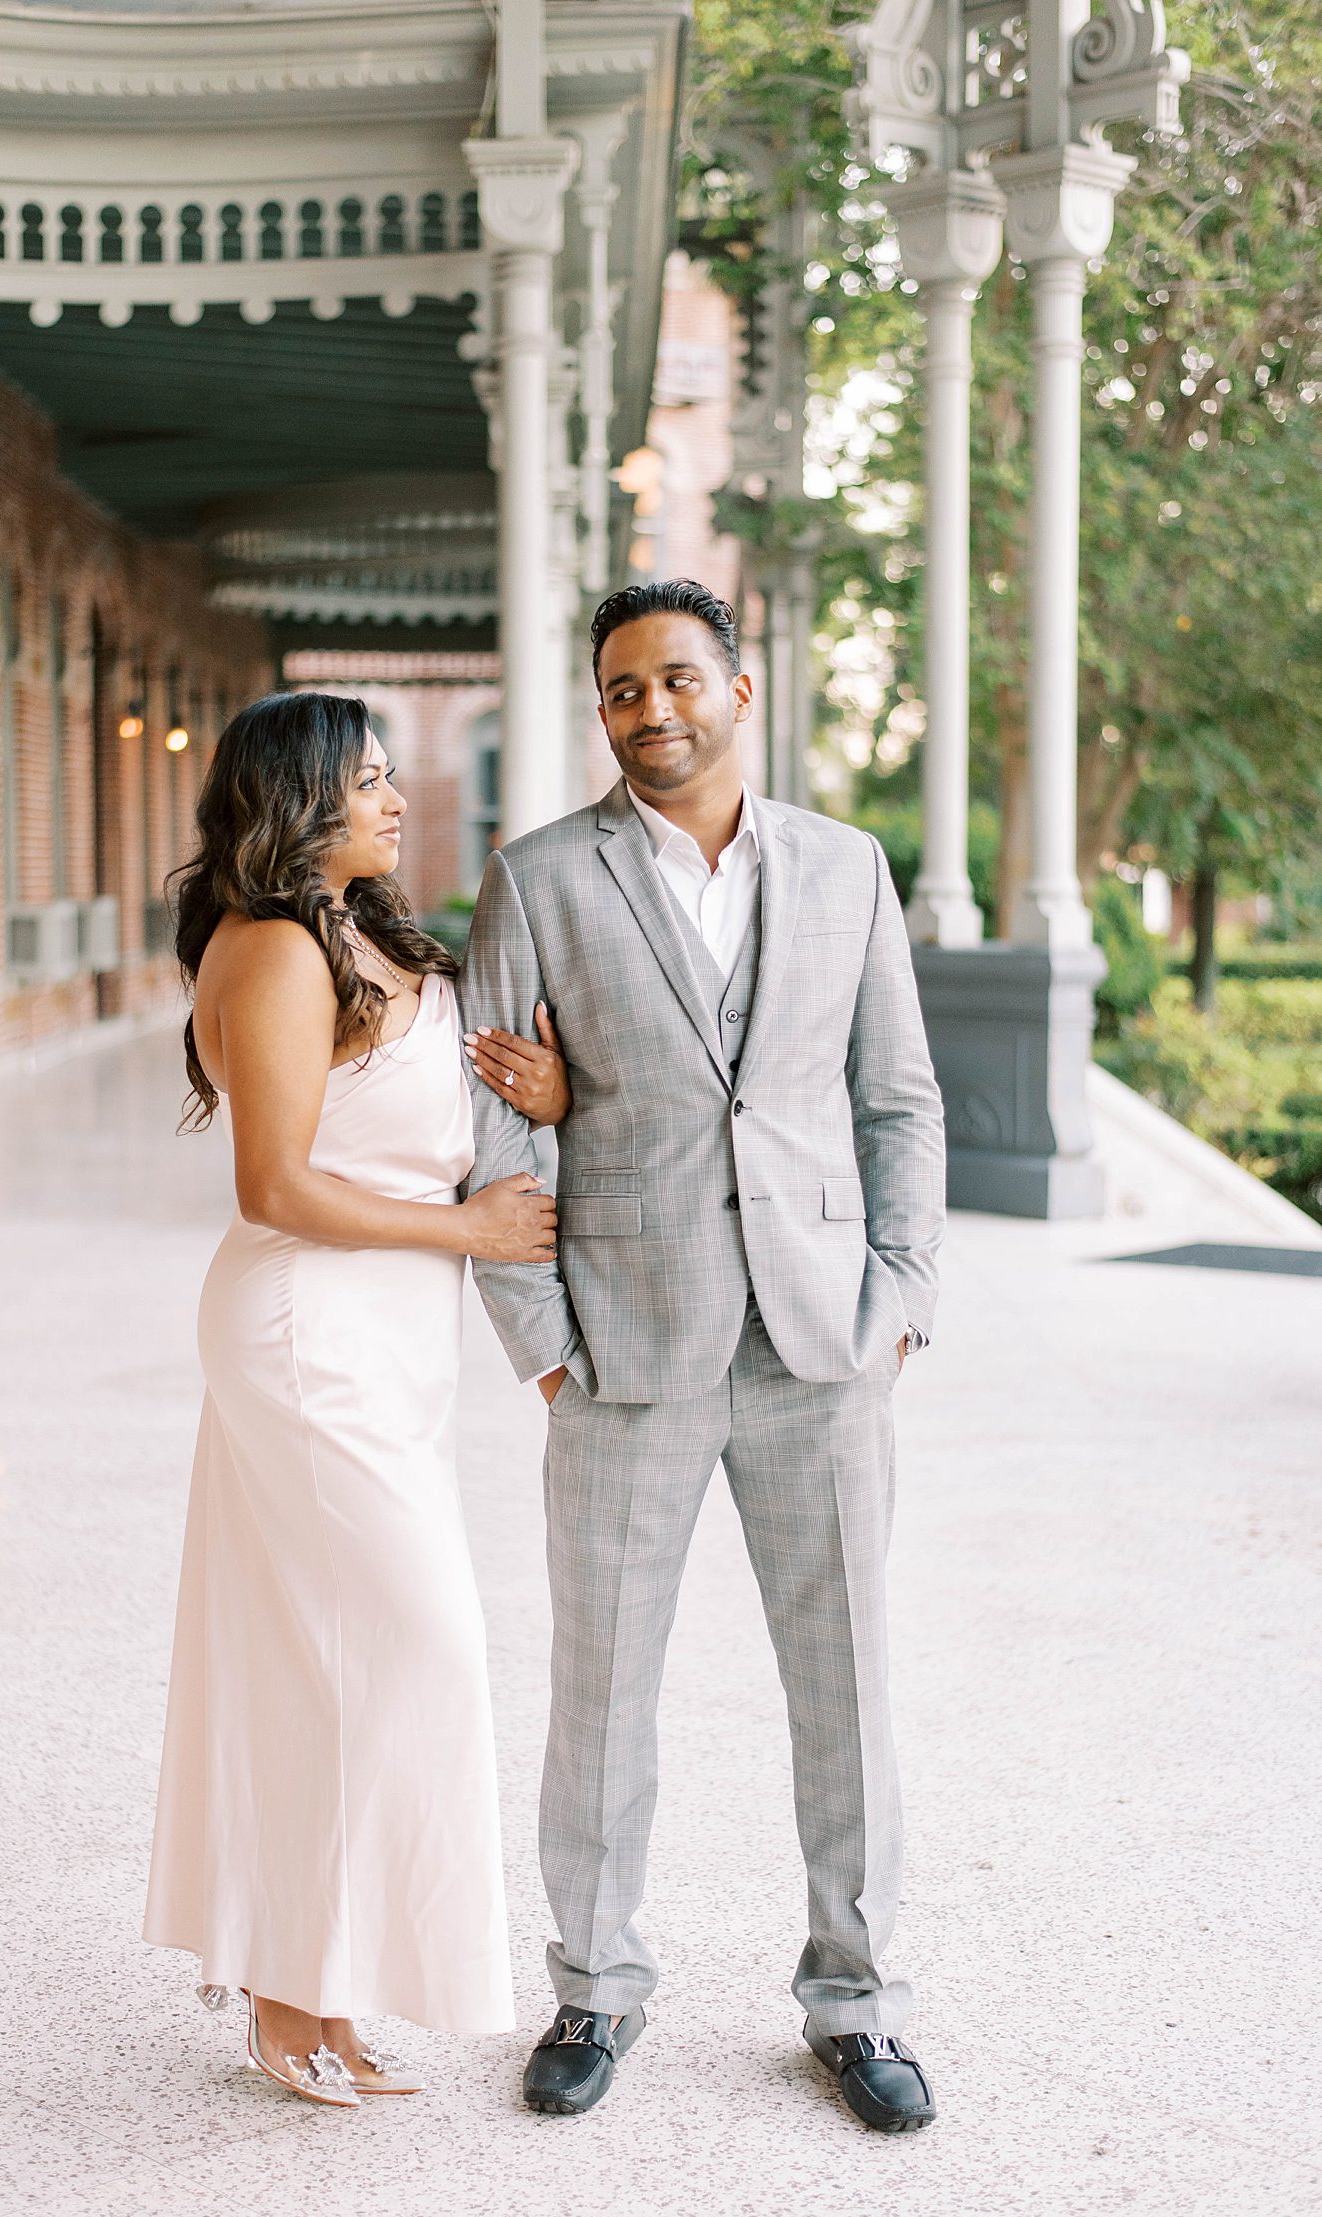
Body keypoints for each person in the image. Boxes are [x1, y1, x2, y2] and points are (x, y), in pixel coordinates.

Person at [460, 580, 947, 2134]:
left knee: (849, 1684)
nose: (648, 710)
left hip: (819, 1346)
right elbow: (486, 1121)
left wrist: (900, 1293)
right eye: (617, 691)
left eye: (675, 679)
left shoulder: (848, 868)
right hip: (625, 1345)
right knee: (600, 1686)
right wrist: (544, 1345)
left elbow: (899, 1098)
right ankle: (595, 1988)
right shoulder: (539, 876)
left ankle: (855, 2002)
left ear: (741, 688)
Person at [143, 691, 567, 2108]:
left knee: (334, 1657)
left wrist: (543, 1100)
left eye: (394, 777)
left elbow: (430, 1126)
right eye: (370, 782)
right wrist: (477, 1233)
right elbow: (275, 1185)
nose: (396, 801)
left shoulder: (375, 934)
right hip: (306, 1335)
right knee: (414, 1645)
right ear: (300, 801)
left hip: (391, 1348)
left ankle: (314, 1984)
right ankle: (284, 1989)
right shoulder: (269, 950)